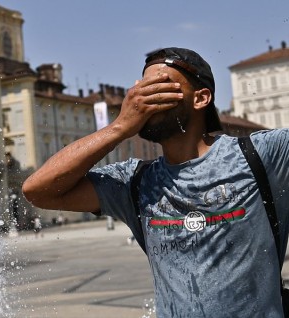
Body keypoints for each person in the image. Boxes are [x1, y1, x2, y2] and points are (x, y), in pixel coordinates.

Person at [22, 47, 289, 317]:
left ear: (201, 98)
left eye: (160, 87)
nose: (146, 98)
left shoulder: (261, 154)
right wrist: (119, 127)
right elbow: (38, 190)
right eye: (142, 88)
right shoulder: (135, 182)